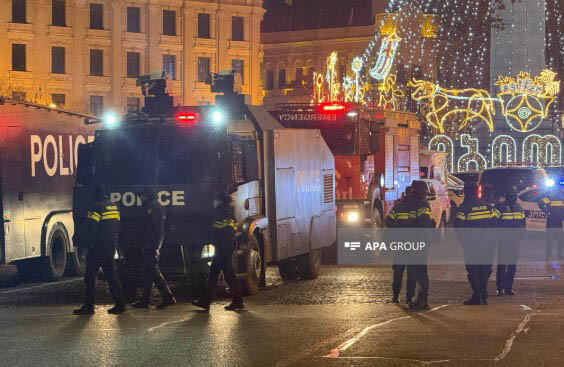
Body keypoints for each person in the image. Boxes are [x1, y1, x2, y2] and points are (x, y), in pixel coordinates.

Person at [74, 184, 127, 315]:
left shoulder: (96, 207)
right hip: (111, 245)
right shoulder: (114, 207)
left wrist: (87, 243)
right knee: (111, 275)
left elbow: (91, 228)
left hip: (98, 246)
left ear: (95, 195)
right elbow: (119, 226)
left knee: (90, 276)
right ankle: (120, 304)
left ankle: (89, 306)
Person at [193, 192, 244, 311]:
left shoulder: (223, 213)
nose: (214, 202)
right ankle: (206, 301)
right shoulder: (225, 212)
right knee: (214, 274)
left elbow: (224, 232)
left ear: (220, 201)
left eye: (216, 200)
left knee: (227, 275)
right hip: (223, 248)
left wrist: (222, 248)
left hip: (223, 249)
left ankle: (237, 301)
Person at [455, 182, 500, 305]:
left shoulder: (464, 209)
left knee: (473, 270)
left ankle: (477, 296)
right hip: (487, 246)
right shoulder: (489, 207)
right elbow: (496, 224)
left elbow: (458, 228)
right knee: (484, 269)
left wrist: (464, 243)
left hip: (472, 245)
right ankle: (484, 295)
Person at [131, 187, 176, 309]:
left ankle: (168, 296)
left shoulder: (152, 207)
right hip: (151, 243)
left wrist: (153, 244)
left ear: (147, 195)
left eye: (142, 195)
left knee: (153, 271)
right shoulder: (153, 206)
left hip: (150, 244)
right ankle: (145, 300)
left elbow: (154, 229)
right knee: (149, 272)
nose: (141, 198)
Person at [407, 181, 436, 310]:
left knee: (419, 271)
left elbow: (423, 222)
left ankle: (423, 299)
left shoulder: (416, 203)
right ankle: (421, 298)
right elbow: (424, 222)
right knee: (418, 270)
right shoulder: (420, 203)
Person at [386, 186, 415, 305]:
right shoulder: (417, 207)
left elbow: (388, 221)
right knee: (411, 273)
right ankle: (409, 298)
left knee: (398, 272)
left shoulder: (398, 207)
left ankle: (395, 296)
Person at [495, 187, 525, 296]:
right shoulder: (500, 207)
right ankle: (500, 288)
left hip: (514, 240)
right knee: (503, 264)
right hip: (504, 240)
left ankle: (508, 287)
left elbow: (523, 223)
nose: (514, 196)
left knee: (512, 264)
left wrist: (521, 234)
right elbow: (495, 223)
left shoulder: (519, 207)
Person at [538, 184, 564, 261]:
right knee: (550, 239)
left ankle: (559, 254)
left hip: (559, 221)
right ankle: (548, 255)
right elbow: (540, 203)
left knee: (561, 239)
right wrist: (547, 211)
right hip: (551, 221)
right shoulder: (551, 196)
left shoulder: (562, 196)